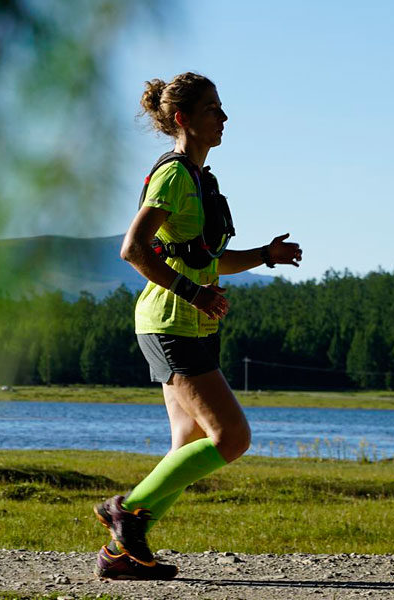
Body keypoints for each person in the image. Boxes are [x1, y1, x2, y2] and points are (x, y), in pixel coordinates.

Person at [94, 72, 303, 581]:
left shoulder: (200, 181)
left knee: (187, 447)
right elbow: (133, 249)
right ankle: (126, 511)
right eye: (213, 109)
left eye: (222, 107)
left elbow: (208, 259)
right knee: (231, 438)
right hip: (170, 325)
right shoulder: (171, 176)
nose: (224, 117)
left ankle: (120, 557)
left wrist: (265, 256)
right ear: (184, 119)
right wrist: (193, 293)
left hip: (189, 326)